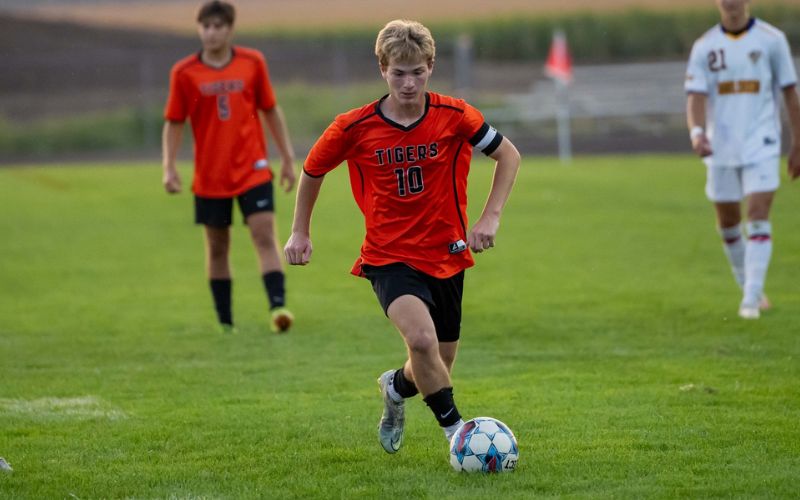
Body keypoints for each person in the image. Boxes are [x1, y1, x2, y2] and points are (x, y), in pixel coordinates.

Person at [284, 19, 521, 453]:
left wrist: (490, 217)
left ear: (431, 67)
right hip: (388, 256)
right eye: (398, 73)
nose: (408, 83)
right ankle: (459, 437)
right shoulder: (353, 126)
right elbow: (312, 170)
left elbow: (508, 155)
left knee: (435, 363)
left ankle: (394, 387)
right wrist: (300, 231)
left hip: (447, 252)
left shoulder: (455, 116)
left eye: (417, 72)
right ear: (382, 69)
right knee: (421, 341)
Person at [162, 0, 296, 333]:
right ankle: (226, 323)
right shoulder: (184, 72)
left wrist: (287, 157)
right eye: (205, 26)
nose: (211, 33)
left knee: (264, 234)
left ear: (230, 29)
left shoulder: (252, 62)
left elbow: (270, 109)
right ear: (199, 29)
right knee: (218, 246)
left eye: (218, 26)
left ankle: (278, 308)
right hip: (211, 175)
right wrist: (169, 166)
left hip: (253, 168)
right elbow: (174, 122)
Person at [685, 0, 800, 319]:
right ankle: (750, 288)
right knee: (728, 224)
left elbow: (790, 93)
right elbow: (695, 96)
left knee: (758, 214)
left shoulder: (771, 40)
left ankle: (750, 299)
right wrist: (697, 133)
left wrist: (798, 142)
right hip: (720, 147)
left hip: (762, 143)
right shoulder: (705, 46)